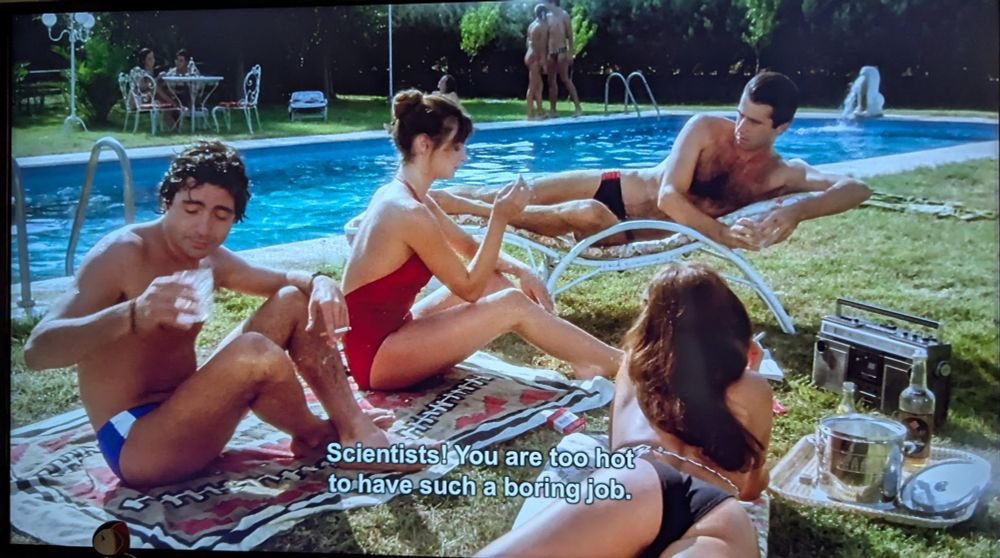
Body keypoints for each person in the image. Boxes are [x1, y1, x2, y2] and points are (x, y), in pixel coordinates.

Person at [23, 141, 411, 488]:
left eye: (220, 215)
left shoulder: (208, 258)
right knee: (254, 352)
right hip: (137, 444)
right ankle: (318, 435)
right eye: (191, 209)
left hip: (190, 412)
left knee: (294, 300)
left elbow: (282, 281)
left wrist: (319, 280)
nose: (203, 228)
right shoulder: (122, 254)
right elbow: (37, 351)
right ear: (167, 202)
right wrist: (131, 314)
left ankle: (350, 427)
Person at [477, 263, 765, 558]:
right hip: (711, 510)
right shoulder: (753, 387)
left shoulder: (631, 369)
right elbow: (750, 489)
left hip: (638, 484)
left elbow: (616, 449)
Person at [340, 90, 622, 391]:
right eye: (456, 146)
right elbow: (469, 288)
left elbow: (469, 247)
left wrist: (522, 270)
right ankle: (618, 362)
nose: (464, 156)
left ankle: (584, 359)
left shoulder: (406, 195)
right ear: (424, 144)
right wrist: (499, 218)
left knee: (496, 282)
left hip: (394, 332)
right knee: (511, 303)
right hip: (375, 358)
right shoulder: (408, 212)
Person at [430, 71, 872, 248]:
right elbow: (668, 195)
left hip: (624, 233)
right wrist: (720, 233)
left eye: (754, 123)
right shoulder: (704, 128)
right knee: (510, 190)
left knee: (582, 214)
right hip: (613, 185)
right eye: (739, 114)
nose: (740, 127)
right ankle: (426, 200)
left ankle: (468, 210)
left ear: (782, 128)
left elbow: (857, 186)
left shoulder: (782, 174)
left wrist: (797, 210)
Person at [544, 0, 582, 117]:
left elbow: (570, 36)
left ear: (553, 3)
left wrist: (570, 53)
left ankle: (578, 108)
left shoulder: (564, 15)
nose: (546, 5)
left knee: (565, 79)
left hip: (561, 50)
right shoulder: (547, 17)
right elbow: (546, 36)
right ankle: (553, 110)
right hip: (551, 51)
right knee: (551, 81)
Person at [129, 47, 178, 129]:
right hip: (137, 101)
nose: (153, 61)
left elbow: (153, 86)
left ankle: (173, 127)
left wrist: (159, 81)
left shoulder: (152, 72)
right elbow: (142, 86)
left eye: (153, 58)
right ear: (143, 61)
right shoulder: (139, 71)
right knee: (158, 91)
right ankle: (174, 104)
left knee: (163, 92)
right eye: (149, 59)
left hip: (148, 98)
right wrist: (156, 80)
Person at [524, 4, 549, 120]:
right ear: (543, 13)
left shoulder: (532, 25)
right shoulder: (541, 26)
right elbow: (542, 47)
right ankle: (530, 114)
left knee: (539, 85)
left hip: (529, 55)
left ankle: (540, 111)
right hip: (535, 57)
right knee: (533, 87)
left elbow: (528, 42)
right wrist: (543, 62)